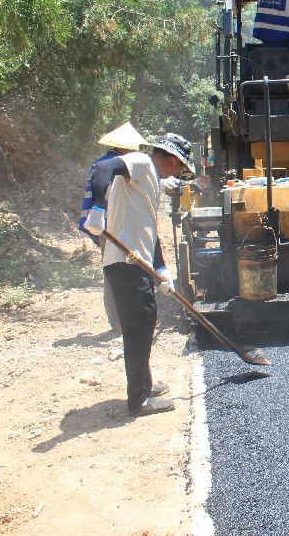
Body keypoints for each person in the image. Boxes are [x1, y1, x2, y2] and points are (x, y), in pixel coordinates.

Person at [83, 133, 195, 416]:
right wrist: (96, 209)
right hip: (125, 262)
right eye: (178, 168)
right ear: (172, 160)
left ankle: (144, 385)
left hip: (136, 262)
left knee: (144, 324)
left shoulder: (148, 181)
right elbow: (103, 168)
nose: (176, 173)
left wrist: (161, 268)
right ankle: (139, 400)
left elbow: (148, 229)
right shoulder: (142, 162)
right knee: (138, 329)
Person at [79, 122, 147, 334]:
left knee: (114, 271)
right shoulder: (113, 164)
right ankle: (119, 322)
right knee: (117, 272)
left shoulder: (102, 162)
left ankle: (120, 320)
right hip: (112, 227)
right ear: (126, 147)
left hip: (109, 227)